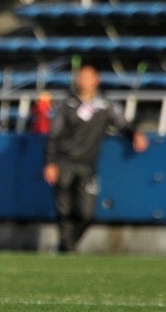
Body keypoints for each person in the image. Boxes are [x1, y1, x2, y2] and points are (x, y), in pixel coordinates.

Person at [43, 65, 149, 253]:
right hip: (64, 162)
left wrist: (135, 134)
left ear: (96, 80)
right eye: (80, 77)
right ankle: (67, 248)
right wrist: (50, 162)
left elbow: (122, 123)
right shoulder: (67, 105)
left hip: (88, 165)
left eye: (87, 77)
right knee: (64, 210)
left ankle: (66, 245)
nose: (83, 81)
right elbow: (54, 135)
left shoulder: (104, 106)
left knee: (87, 213)